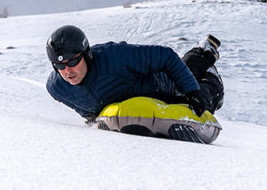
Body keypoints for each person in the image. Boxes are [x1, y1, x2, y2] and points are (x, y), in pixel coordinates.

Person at [45, 25, 225, 125]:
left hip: (163, 85)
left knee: (207, 98)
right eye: (59, 65)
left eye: (73, 62)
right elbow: (79, 105)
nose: (67, 71)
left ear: (86, 54)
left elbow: (166, 57)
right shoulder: (56, 87)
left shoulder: (115, 56)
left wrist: (193, 92)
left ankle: (206, 57)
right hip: (137, 100)